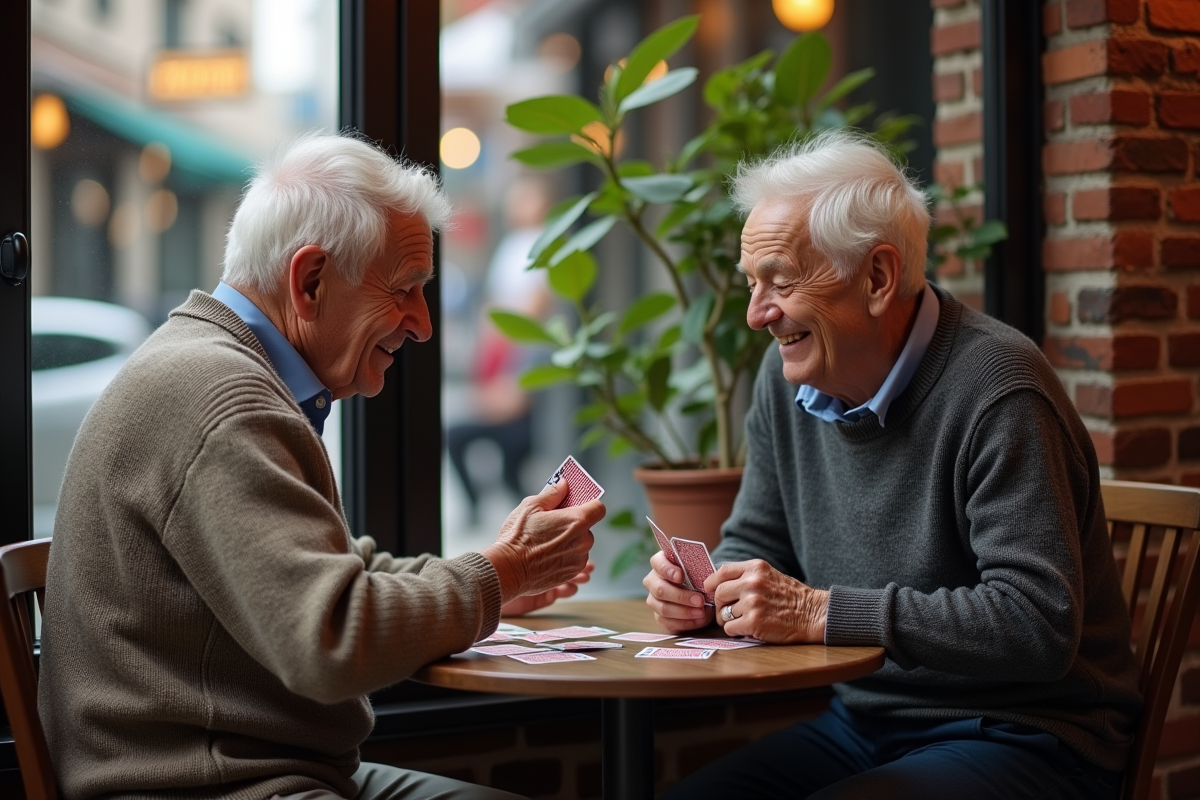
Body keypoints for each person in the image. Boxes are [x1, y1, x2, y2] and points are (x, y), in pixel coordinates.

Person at [38, 132, 605, 800]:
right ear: (310, 280)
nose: (422, 324)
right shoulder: (222, 398)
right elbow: (331, 637)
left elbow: (342, 574)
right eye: (404, 291)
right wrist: (501, 571)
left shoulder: (219, 366)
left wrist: (498, 581)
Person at [646, 130, 1140, 800]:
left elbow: (1037, 623)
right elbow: (758, 542)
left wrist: (822, 611)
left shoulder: (1000, 388)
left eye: (780, 282)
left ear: (876, 277)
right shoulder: (785, 376)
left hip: (1027, 733)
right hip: (863, 723)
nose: (757, 314)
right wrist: (705, 592)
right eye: (753, 283)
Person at [447, 178, 554, 524]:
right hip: (504, 367)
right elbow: (493, 306)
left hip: (521, 389)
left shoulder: (546, 247)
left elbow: (532, 307)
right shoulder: (511, 246)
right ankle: (482, 508)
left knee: (507, 464)